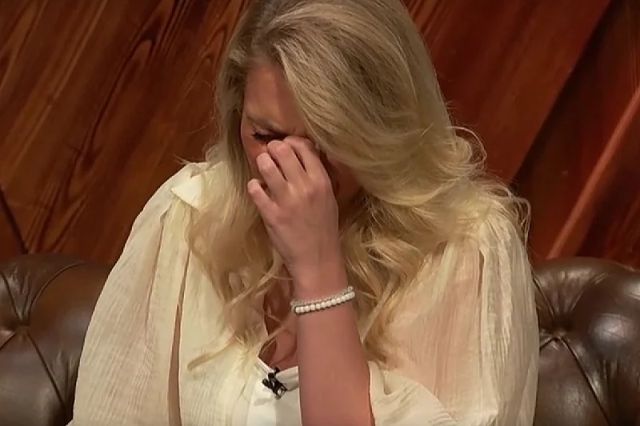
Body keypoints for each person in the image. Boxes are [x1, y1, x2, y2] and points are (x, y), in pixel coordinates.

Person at [70, 0, 538, 424]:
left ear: (383, 132)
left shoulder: (468, 249)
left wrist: (319, 268)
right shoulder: (190, 211)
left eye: (328, 141)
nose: (295, 170)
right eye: (266, 137)